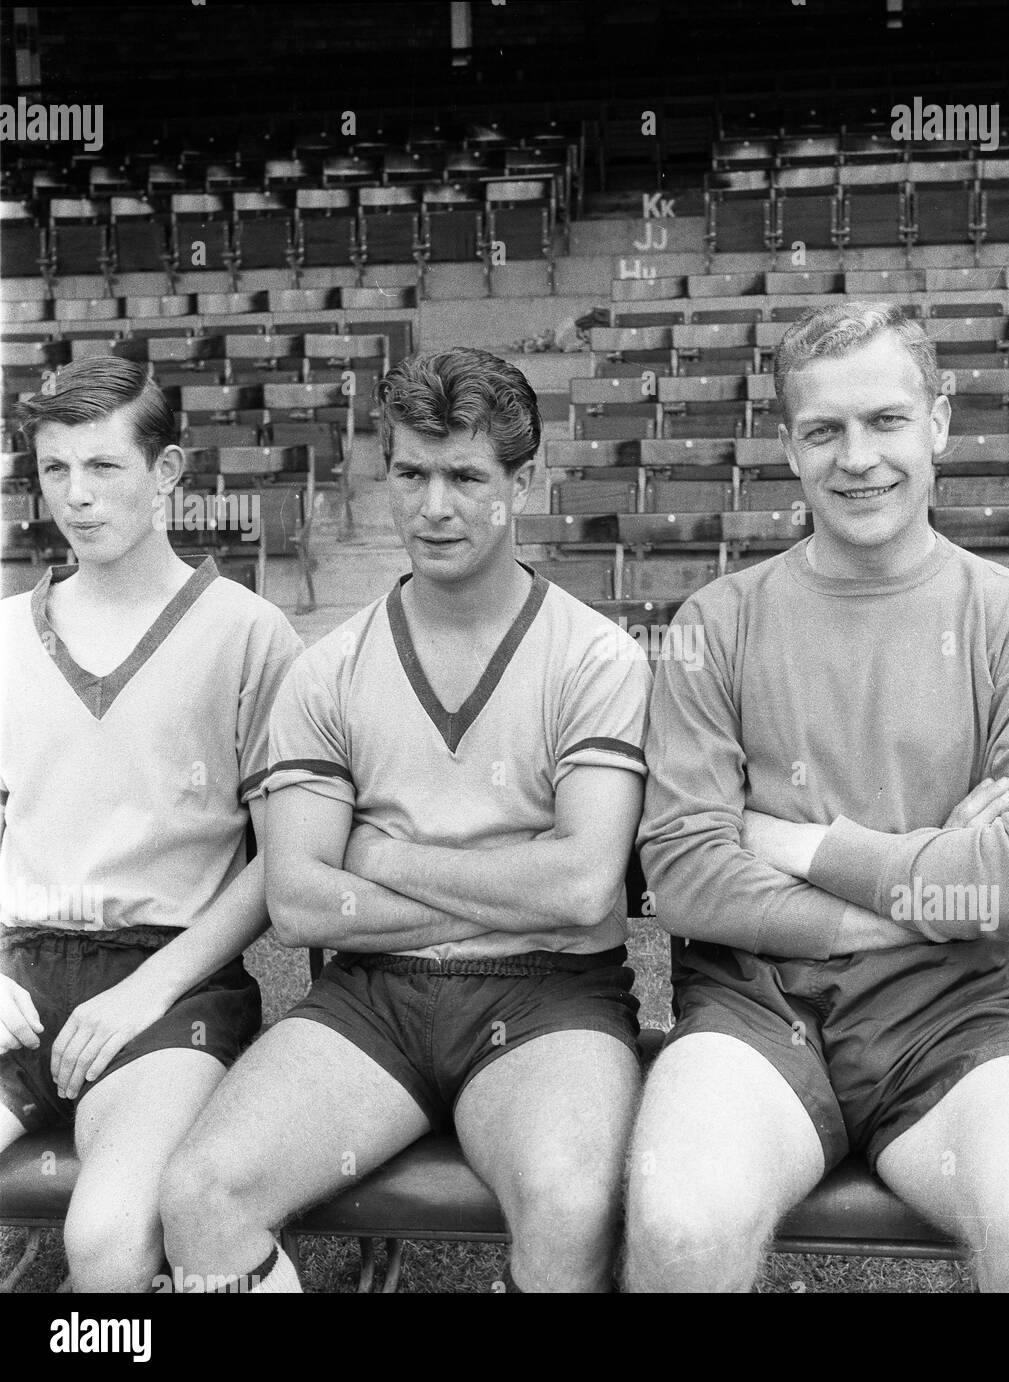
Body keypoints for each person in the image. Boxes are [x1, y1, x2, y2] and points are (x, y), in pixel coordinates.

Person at [625, 302, 1009, 1293]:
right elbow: (684, 877)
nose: (857, 458)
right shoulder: (714, 624)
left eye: (885, 420)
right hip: (757, 1010)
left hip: (962, 1016)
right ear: (788, 445)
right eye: (823, 429)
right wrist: (930, 882)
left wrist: (801, 846)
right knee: (679, 1233)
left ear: (936, 422)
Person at [161, 348, 651, 1293]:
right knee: (200, 1190)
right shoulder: (328, 667)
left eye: (466, 477)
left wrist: (381, 856)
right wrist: (522, 892)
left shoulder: (593, 657)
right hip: (372, 999)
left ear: (525, 481)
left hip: (547, 998)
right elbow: (302, 904)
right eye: (411, 473)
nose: (434, 507)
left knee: (565, 1201)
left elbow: (587, 890)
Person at [0, 357, 302, 1291]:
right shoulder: (7, 634)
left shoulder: (250, 634)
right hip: (17, 978)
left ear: (167, 473)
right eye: (56, 471)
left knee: (105, 1237)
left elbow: (283, 862)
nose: (78, 499)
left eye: (105, 468)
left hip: (166, 985)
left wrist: (149, 992)